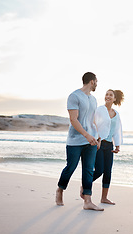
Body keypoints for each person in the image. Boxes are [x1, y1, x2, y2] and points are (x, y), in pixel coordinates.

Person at [56, 72, 104, 211]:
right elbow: (73, 119)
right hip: (75, 140)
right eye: (96, 81)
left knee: (89, 170)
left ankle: (87, 200)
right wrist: (86, 135)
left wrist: (97, 136)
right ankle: (60, 189)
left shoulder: (94, 99)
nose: (97, 84)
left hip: (91, 140)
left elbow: (93, 120)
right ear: (92, 82)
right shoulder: (74, 96)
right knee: (71, 167)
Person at [93, 89, 124, 205]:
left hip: (109, 145)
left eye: (111, 95)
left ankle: (104, 198)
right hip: (99, 144)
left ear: (115, 98)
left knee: (108, 172)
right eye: (106, 94)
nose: (108, 96)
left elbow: (117, 130)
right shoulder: (100, 110)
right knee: (99, 170)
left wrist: (117, 145)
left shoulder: (116, 114)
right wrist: (97, 139)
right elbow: (94, 123)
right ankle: (85, 186)